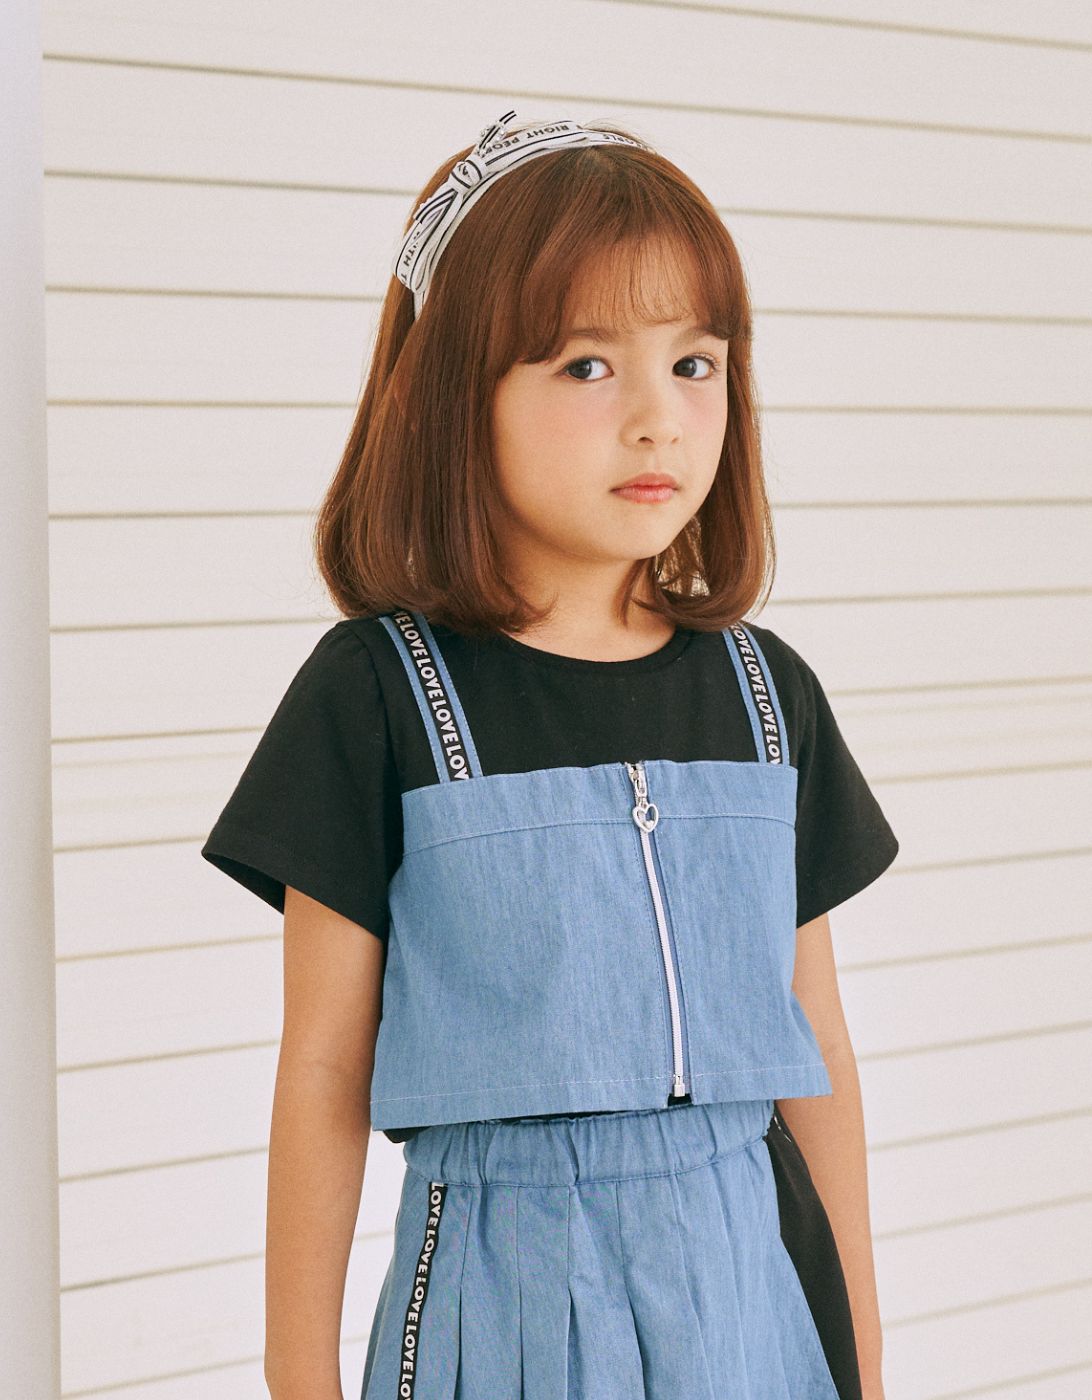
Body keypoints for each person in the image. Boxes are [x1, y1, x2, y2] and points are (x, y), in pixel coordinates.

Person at [201, 109, 899, 1400]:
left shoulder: (767, 698)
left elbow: (820, 1052)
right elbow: (324, 1071)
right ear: (453, 396)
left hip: (754, 1297)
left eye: (694, 363)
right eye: (587, 365)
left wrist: (860, 1356)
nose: (658, 419)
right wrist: (299, 1382)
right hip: (505, 1305)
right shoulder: (378, 697)